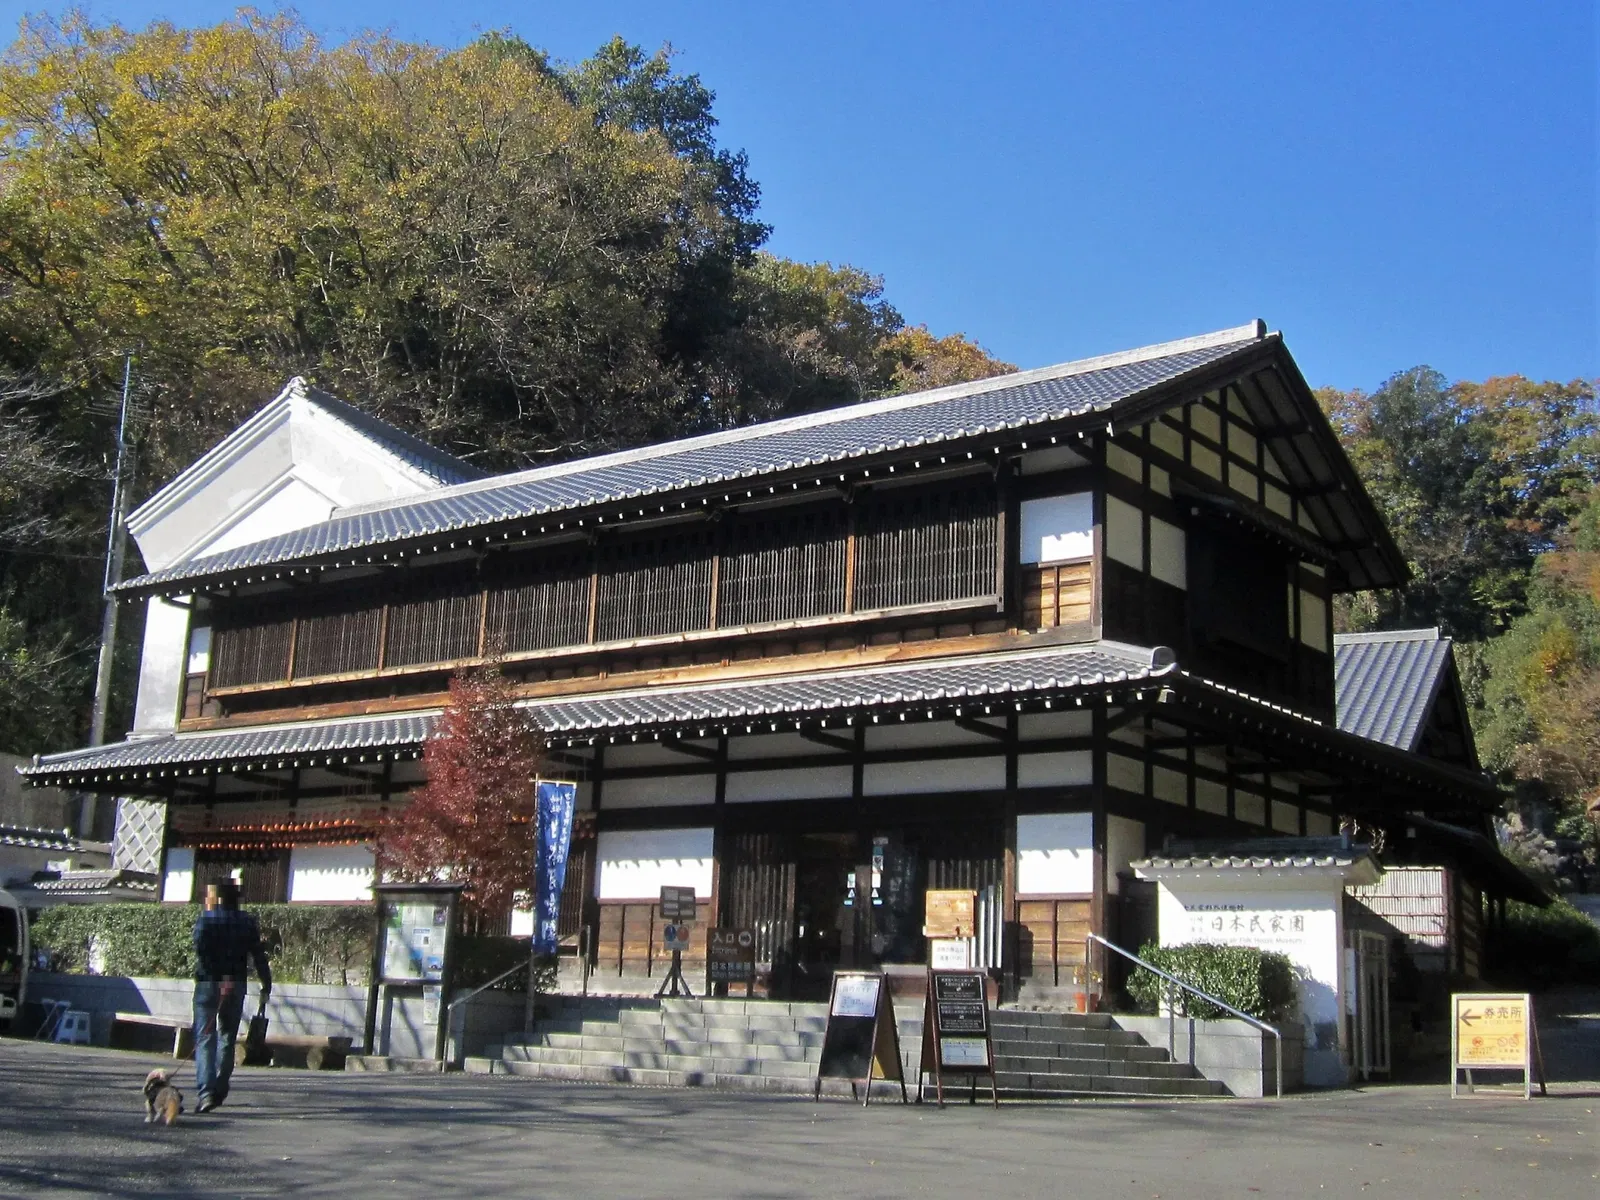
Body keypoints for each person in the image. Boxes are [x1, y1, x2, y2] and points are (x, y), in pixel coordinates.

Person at [192, 879, 271, 1112]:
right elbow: (258, 954)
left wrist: (217, 975)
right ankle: (220, 1086)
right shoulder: (246, 922)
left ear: (215, 897)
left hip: (208, 984)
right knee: (227, 1037)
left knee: (205, 1038)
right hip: (236, 984)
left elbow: (201, 951)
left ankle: (206, 1092)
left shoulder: (205, 919)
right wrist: (266, 981)